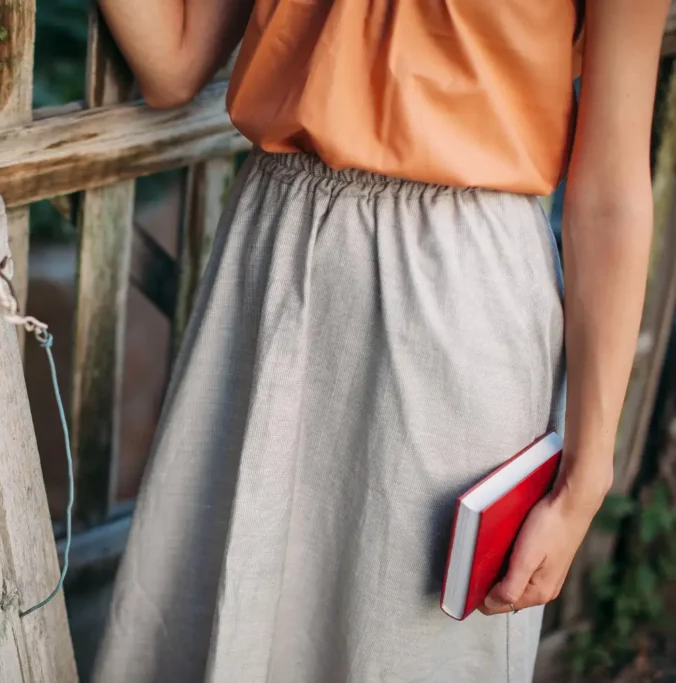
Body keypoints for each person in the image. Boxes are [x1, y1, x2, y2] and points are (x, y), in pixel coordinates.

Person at [91, 2, 669, 682]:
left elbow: (610, 193)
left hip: (454, 296)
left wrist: (585, 476)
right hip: (268, 257)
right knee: (217, 626)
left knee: (402, 653)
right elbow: (174, 63)